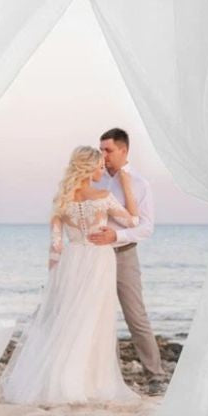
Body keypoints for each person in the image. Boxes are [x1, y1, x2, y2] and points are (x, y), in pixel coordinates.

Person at [0, 146, 140, 404]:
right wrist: (127, 185)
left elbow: (55, 247)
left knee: (68, 319)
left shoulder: (62, 200)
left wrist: (54, 279)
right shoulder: (104, 196)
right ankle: (85, 384)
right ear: (88, 169)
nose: (102, 170)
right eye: (99, 166)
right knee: (93, 322)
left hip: (72, 260)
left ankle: (60, 380)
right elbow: (133, 221)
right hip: (98, 260)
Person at [89, 128, 166, 387]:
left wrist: (116, 237)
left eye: (108, 150)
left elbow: (145, 227)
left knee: (136, 316)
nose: (103, 155)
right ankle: (107, 378)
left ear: (124, 151)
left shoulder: (140, 184)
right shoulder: (94, 179)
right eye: (101, 150)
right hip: (95, 256)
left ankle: (155, 375)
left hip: (123, 254)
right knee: (98, 318)